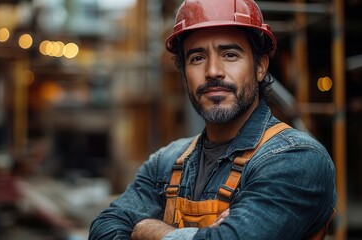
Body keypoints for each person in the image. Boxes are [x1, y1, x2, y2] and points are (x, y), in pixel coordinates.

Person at [89, 0, 337, 239]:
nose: (212, 71)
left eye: (229, 54)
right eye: (197, 58)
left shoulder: (296, 159)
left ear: (260, 67)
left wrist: (146, 229)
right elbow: (104, 227)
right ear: (185, 73)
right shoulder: (165, 163)